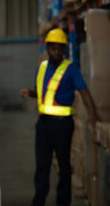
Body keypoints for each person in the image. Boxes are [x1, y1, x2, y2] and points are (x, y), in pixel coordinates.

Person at [20, 28, 97, 206]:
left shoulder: (70, 69)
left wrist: (92, 113)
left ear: (64, 50)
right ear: (47, 49)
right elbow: (42, 93)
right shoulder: (41, 68)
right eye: (52, 48)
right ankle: (38, 201)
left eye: (59, 49)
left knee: (63, 167)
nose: (56, 52)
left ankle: (63, 202)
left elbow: (84, 92)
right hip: (43, 125)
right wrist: (30, 92)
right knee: (42, 167)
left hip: (63, 126)